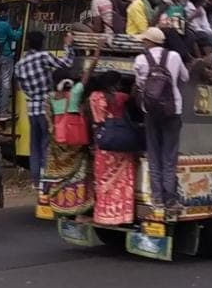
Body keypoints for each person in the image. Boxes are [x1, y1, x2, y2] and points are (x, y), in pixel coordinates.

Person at [135, 27, 189, 214]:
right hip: (173, 110)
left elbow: (141, 84)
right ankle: (171, 200)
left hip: (150, 112)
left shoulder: (141, 59)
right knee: (169, 156)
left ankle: (157, 199)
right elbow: (185, 77)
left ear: (149, 42)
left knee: (154, 155)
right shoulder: (174, 56)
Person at [45, 56, 95, 218]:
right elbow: (88, 75)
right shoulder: (75, 93)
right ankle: (79, 207)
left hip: (58, 142)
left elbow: (49, 122)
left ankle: (61, 205)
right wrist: (97, 53)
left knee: (61, 178)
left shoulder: (50, 98)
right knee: (80, 174)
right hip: (76, 141)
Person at [13, 31, 64, 187]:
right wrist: (69, 47)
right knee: (47, 145)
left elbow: (19, 86)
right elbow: (64, 64)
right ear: (42, 43)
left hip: (31, 108)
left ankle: (36, 180)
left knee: (34, 146)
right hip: (46, 107)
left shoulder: (20, 64)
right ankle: (47, 180)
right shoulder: (43, 56)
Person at [88, 68, 137, 226]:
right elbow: (135, 99)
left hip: (102, 143)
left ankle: (104, 215)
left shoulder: (94, 97)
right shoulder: (121, 97)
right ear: (115, 84)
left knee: (103, 182)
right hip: (120, 143)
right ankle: (122, 215)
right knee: (123, 181)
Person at [0, 6, 23, 122]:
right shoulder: (4, 25)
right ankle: (4, 112)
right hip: (5, 55)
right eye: (5, 12)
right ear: (1, 12)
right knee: (5, 83)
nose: (6, 14)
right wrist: (22, 27)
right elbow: (16, 36)